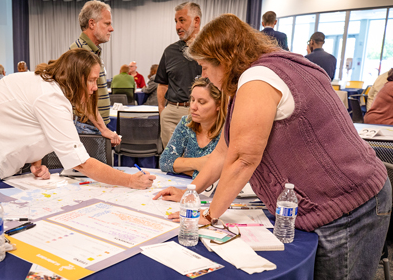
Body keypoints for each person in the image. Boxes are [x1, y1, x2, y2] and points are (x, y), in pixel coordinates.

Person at [154, 14, 390, 280]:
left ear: (225, 59)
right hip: (344, 197)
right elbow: (224, 151)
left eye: (205, 67)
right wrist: (191, 192)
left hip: (349, 205)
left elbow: (243, 159)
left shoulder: (257, 79)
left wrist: (208, 215)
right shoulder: (263, 71)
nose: (203, 75)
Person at [0, 48, 155, 191]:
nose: (93, 88)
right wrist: (128, 180)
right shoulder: (51, 96)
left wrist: (35, 161)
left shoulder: (49, 86)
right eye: (90, 80)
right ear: (74, 77)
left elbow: (27, 121)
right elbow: (81, 163)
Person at [69, 0, 120, 146]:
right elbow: (82, 99)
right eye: (107, 23)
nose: (111, 29)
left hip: (92, 125)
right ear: (92, 24)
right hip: (87, 126)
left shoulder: (90, 50)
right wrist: (103, 129)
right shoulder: (80, 53)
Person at [155, 2, 202, 147]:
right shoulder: (170, 51)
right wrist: (163, 112)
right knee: (171, 163)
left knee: (195, 160)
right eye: (176, 21)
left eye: (182, 20)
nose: (177, 27)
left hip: (199, 113)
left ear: (196, 21)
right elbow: (162, 84)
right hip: (172, 114)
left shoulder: (209, 49)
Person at [159, 78, 225, 179]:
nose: (193, 106)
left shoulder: (227, 130)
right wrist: (197, 164)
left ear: (219, 105)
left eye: (201, 102)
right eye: (192, 100)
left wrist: (183, 167)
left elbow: (223, 174)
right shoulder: (186, 122)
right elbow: (165, 161)